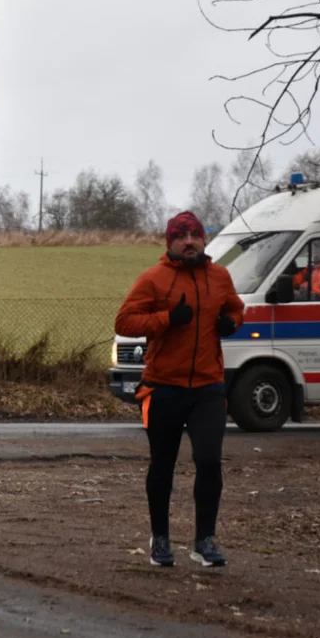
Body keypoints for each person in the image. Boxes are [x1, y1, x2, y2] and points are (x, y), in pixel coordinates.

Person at [115, 211, 244, 569]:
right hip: (163, 388)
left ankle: (204, 540)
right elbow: (124, 321)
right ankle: (160, 538)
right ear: (169, 243)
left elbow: (235, 308)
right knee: (163, 465)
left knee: (209, 461)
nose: (189, 242)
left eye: (195, 236)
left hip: (208, 388)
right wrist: (167, 319)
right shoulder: (154, 279)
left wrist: (230, 323)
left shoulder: (219, 277)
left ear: (204, 240)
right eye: (181, 236)